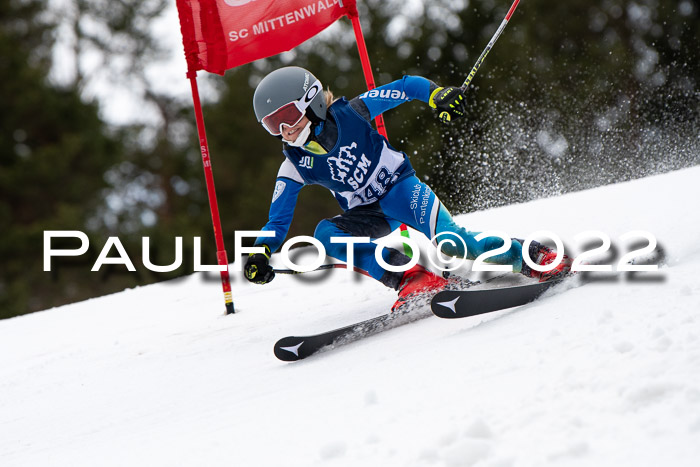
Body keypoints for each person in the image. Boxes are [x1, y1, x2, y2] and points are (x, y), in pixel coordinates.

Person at [244, 66, 570, 310]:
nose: (285, 131)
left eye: (288, 116)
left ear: (311, 102)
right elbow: (277, 221)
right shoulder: (294, 165)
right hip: (367, 213)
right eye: (273, 124)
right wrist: (260, 251)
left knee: (454, 245)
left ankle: (532, 256)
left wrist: (436, 94)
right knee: (325, 234)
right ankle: (412, 278)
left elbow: (405, 87)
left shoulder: (352, 114)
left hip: (402, 189)